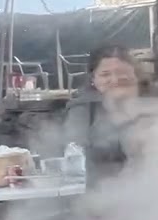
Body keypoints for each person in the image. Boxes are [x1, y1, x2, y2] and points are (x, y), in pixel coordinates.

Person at [63, 45, 149, 179]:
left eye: (122, 72)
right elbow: (74, 149)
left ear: (136, 75)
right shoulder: (83, 108)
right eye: (105, 74)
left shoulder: (155, 102)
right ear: (93, 80)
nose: (115, 80)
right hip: (101, 187)